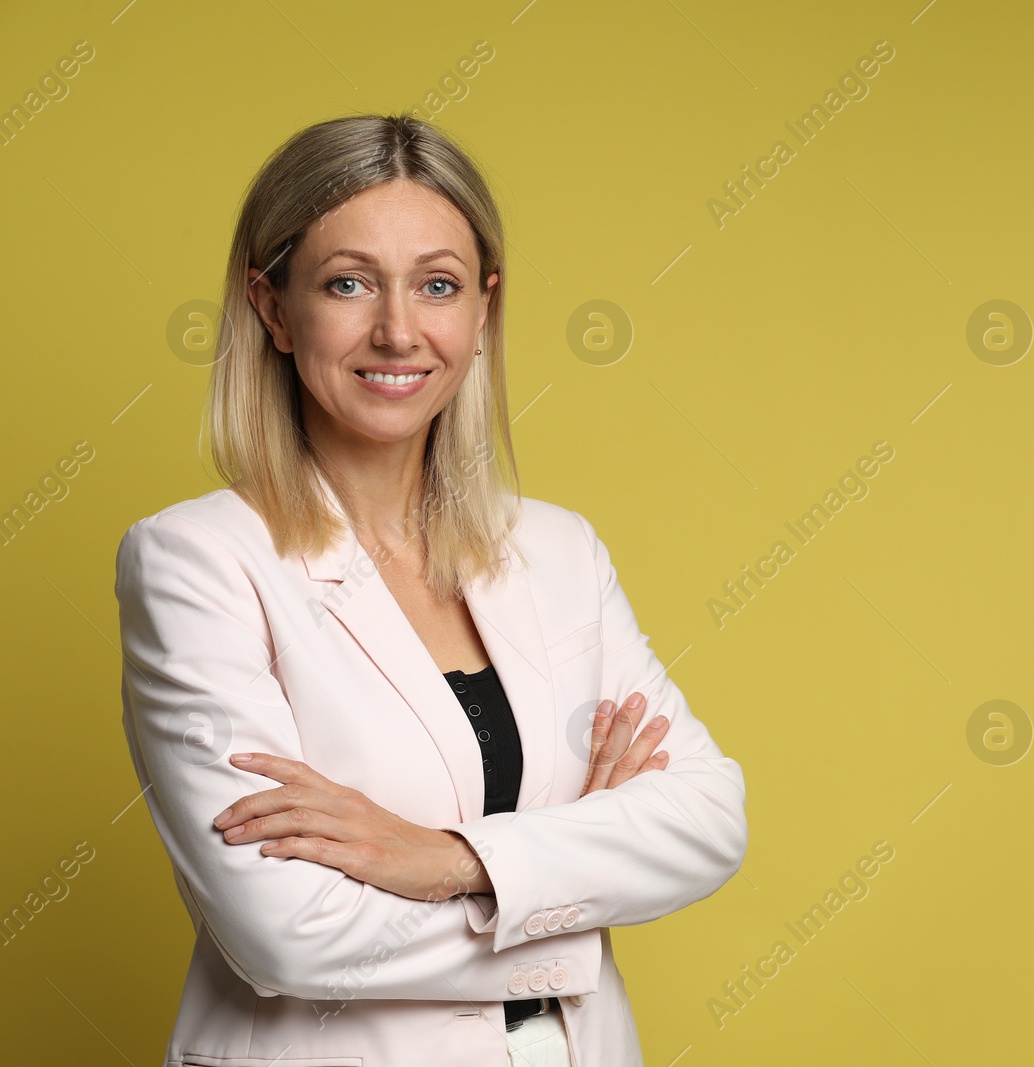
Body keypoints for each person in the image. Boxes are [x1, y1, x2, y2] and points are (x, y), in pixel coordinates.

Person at [114, 114, 748, 1067]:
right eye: (348, 282)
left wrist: (444, 859)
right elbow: (286, 932)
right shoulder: (197, 562)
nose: (398, 330)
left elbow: (707, 819)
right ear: (274, 308)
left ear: (483, 309)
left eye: (438, 285)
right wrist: (569, 895)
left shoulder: (557, 549)